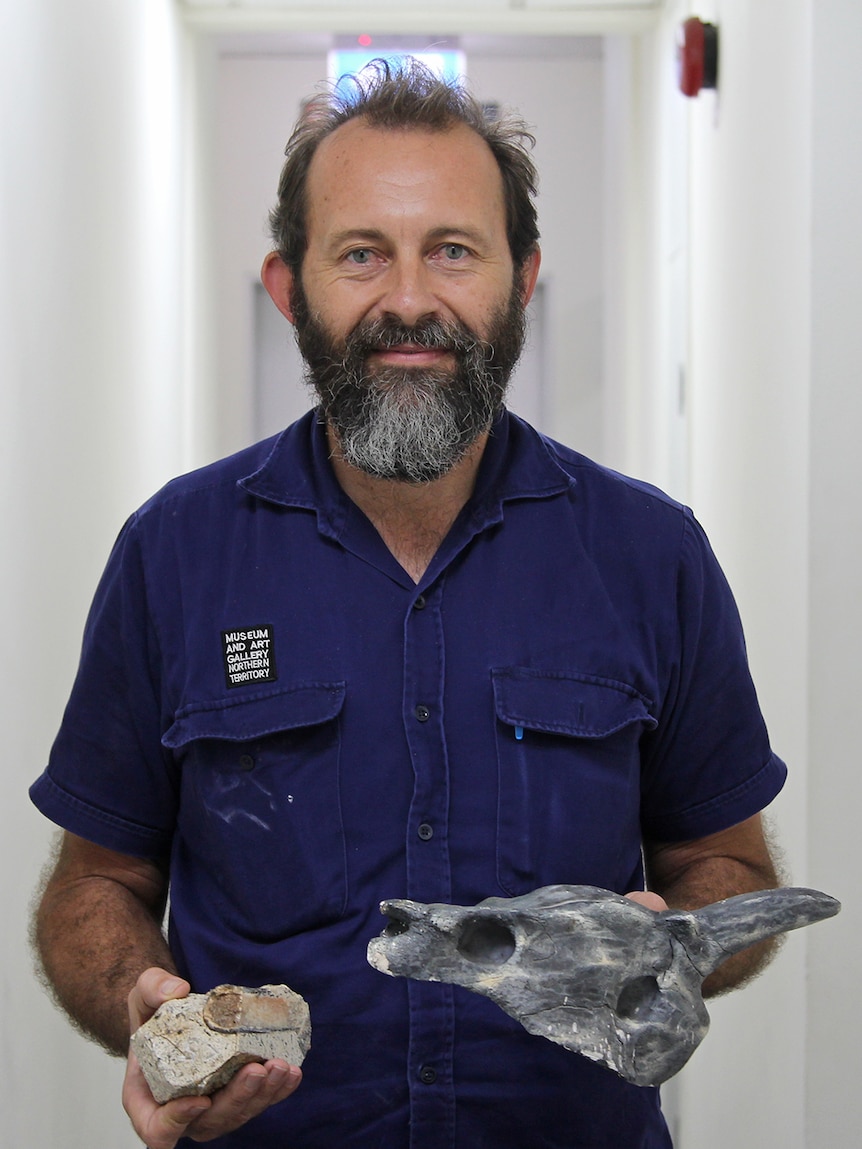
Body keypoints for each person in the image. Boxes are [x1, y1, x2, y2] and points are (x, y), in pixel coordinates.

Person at [30, 60, 786, 1149]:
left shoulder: (649, 553)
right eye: (360, 254)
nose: (409, 300)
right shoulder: (175, 553)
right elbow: (96, 882)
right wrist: (138, 1001)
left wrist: (683, 940)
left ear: (522, 280)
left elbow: (729, 865)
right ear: (288, 288)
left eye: (453, 250)